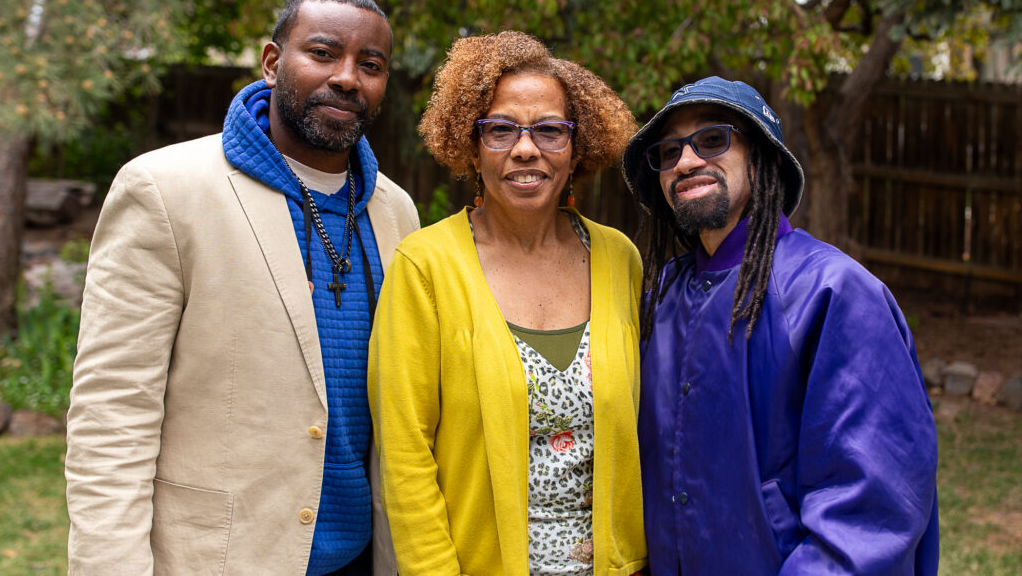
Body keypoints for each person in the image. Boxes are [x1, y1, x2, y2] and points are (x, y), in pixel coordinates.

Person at [65, 0, 419, 575]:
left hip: (364, 555)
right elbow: (113, 413)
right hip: (222, 558)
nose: (348, 78)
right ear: (273, 62)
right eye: (324, 53)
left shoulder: (396, 212)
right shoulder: (165, 190)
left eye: (371, 65)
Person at [621, 76, 939, 574]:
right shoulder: (659, 297)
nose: (684, 162)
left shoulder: (833, 293)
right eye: (667, 151)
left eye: (712, 140)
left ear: (761, 158)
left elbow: (870, 511)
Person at [368, 31, 648, 576]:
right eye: (500, 129)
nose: (525, 148)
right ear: (471, 146)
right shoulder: (425, 267)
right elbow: (405, 455)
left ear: (578, 146)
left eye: (549, 130)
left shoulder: (620, 259)